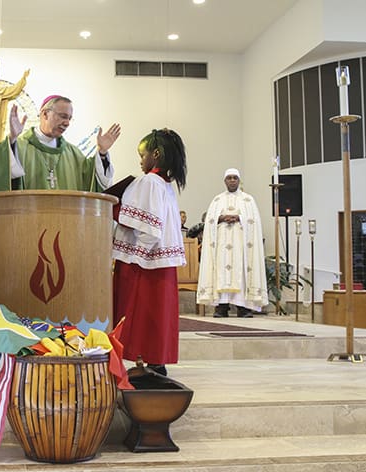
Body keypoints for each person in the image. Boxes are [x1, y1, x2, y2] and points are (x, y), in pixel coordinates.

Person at [112, 128, 187, 377]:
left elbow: (143, 224)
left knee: (137, 314)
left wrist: (113, 208)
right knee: (157, 316)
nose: (141, 161)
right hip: (160, 263)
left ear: (156, 154)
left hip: (142, 262)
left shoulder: (147, 182)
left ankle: (138, 362)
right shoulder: (165, 185)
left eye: (143, 155)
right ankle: (156, 362)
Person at [0, 95, 121, 191]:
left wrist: (102, 153)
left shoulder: (73, 154)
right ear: (45, 114)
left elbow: (92, 182)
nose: (67, 123)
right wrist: (12, 139)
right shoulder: (19, 147)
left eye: (69, 118)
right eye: (63, 116)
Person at [197, 168, 268, 318]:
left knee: (240, 272)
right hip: (221, 244)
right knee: (221, 272)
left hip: (240, 245)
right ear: (224, 181)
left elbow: (254, 222)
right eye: (229, 178)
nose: (232, 180)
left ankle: (243, 308)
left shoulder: (248, 200)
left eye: (235, 178)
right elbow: (209, 221)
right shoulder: (217, 200)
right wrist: (221, 218)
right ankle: (221, 307)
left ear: (239, 180)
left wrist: (238, 218)